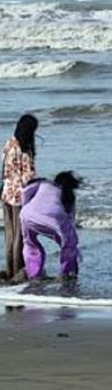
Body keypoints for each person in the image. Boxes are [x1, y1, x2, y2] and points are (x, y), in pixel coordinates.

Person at [21, 171, 83, 279]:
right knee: (69, 243)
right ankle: (66, 273)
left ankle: (34, 274)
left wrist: (25, 205)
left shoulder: (43, 184)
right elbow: (70, 219)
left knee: (30, 244)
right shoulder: (69, 197)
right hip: (52, 221)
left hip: (27, 216)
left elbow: (25, 192)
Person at [2, 114, 37, 283]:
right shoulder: (25, 149)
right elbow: (27, 177)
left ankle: (9, 269)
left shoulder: (8, 144)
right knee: (19, 236)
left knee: (9, 235)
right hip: (19, 195)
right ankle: (17, 270)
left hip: (6, 192)